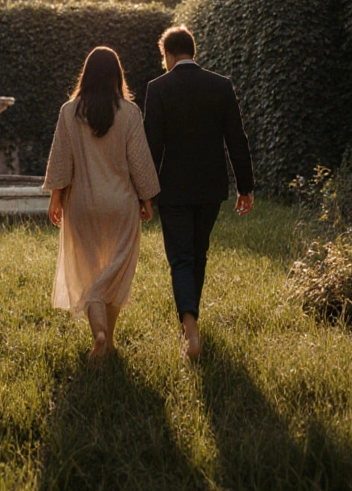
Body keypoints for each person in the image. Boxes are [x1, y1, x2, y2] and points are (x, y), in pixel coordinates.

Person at [144, 25, 255, 362]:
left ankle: (190, 328)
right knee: (199, 253)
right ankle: (191, 321)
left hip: (173, 189)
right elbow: (237, 139)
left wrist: (144, 193)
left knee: (181, 258)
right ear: (193, 51)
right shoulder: (220, 85)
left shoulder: (158, 88)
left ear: (167, 54)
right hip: (210, 188)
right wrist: (245, 187)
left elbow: (152, 147)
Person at [43, 46, 160, 360]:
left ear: (86, 74)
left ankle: (101, 336)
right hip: (121, 205)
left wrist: (56, 197)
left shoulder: (69, 111)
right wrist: (147, 199)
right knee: (114, 274)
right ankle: (108, 340)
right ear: (116, 75)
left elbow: (61, 160)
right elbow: (139, 163)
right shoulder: (130, 113)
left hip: (82, 204)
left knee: (90, 272)